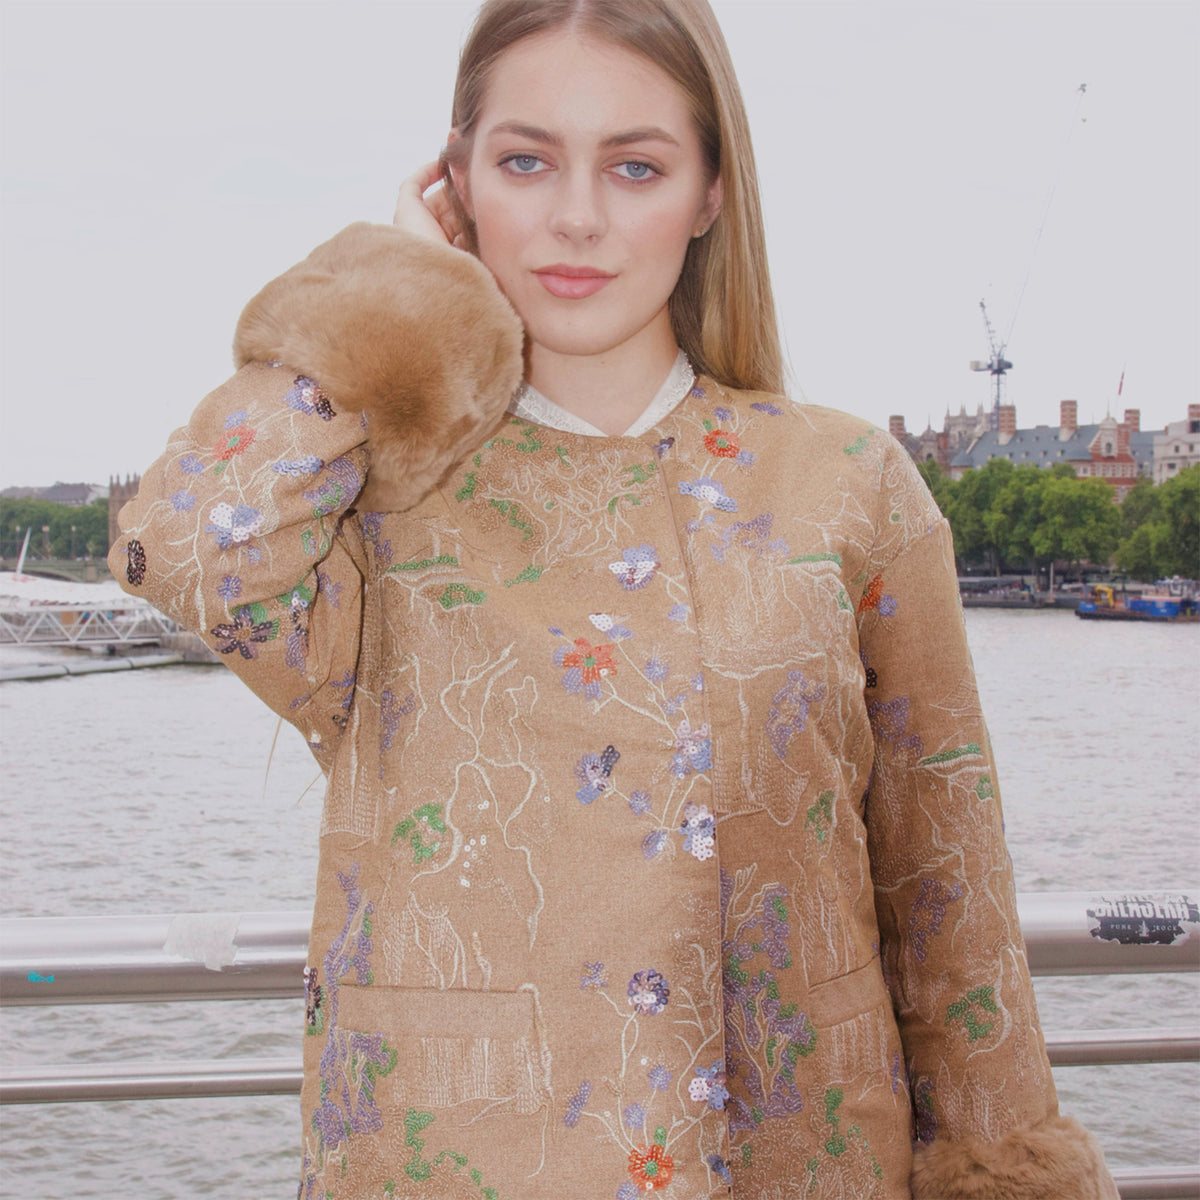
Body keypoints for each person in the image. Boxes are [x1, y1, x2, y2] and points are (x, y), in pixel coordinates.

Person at [110, 1, 1119, 1196]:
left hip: (804, 1163)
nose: (576, 217)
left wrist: (1002, 1160)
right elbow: (183, 550)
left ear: (709, 196)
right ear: (458, 185)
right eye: (527, 160)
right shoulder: (368, 502)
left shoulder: (850, 487)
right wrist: (391, 299)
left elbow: (949, 894)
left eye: (635, 166)